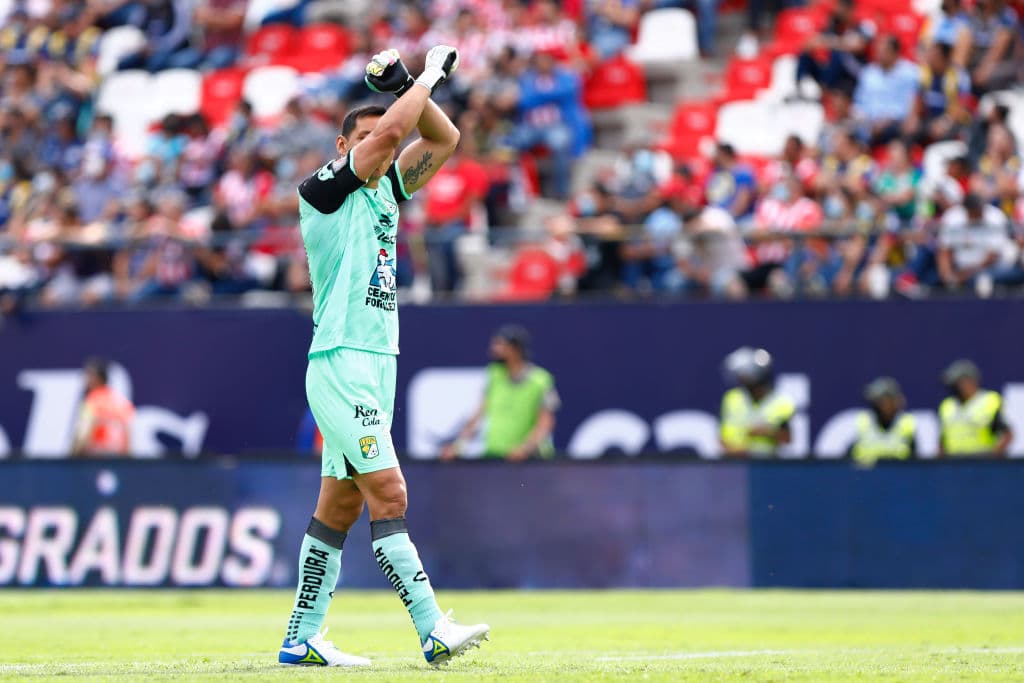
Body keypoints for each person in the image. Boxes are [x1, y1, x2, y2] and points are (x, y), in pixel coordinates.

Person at [278, 47, 489, 669]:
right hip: (342, 359)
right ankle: (432, 629)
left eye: (381, 137)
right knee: (388, 493)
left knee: (339, 505)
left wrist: (405, 84)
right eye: (364, 138)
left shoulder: (389, 189)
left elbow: (443, 138)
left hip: (377, 359)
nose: (380, 145)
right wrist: (423, 78)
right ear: (342, 145)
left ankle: (302, 636)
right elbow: (398, 129)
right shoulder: (322, 191)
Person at [441, 325, 560, 461]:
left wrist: (525, 448)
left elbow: (546, 423)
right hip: (496, 458)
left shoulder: (541, 380)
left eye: (500, 344)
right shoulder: (494, 375)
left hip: (529, 462)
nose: (494, 349)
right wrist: (458, 447)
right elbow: (477, 416)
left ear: (515, 349)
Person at [719, 347, 795, 456]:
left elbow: (787, 439)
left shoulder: (781, 403)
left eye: (743, 375)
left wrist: (767, 432)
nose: (740, 379)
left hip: (768, 466)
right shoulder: (732, 399)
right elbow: (722, 439)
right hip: (736, 465)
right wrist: (739, 452)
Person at [939, 359, 1012, 457]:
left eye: (956, 383)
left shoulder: (988, 402)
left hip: (981, 462)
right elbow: (942, 440)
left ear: (969, 382)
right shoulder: (947, 405)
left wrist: (992, 458)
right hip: (953, 463)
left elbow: (1007, 434)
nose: (954, 387)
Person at [71, 357, 134, 456]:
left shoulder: (92, 401)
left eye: (88, 375)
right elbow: (128, 434)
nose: (85, 379)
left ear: (98, 378)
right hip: (118, 461)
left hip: (95, 459)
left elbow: (83, 433)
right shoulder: (121, 401)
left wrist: (73, 456)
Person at [849, 377, 917, 467]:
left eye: (884, 400)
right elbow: (849, 462)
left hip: (899, 478)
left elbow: (915, 464)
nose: (880, 405)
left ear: (894, 401)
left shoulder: (906, 423)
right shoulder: (863, 421)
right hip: (867, 477)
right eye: (877, 400)